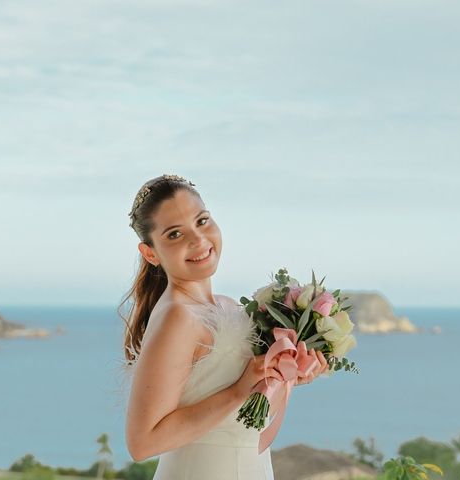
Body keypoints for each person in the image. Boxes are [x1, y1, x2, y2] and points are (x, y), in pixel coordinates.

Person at [118, 174, 329, 479]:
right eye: (175, 234)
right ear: (150, 253)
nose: (197, 240)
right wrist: (238, 390)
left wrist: (290, 374)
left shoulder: (228, 307)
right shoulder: (178, 316)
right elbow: (143, 443)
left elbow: (244, 415)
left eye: (202, 221)